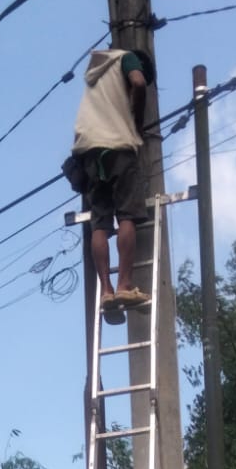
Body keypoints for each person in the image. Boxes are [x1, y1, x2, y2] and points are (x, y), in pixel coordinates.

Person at [70, 47, 154, 315]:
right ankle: (125, 285)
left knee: (100, 224)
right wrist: (136, 123)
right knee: (127, 215)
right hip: (117, 146)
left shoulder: (95, 73)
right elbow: (139, 83)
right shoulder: (126, 58)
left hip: (89, 154)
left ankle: (106, 291)